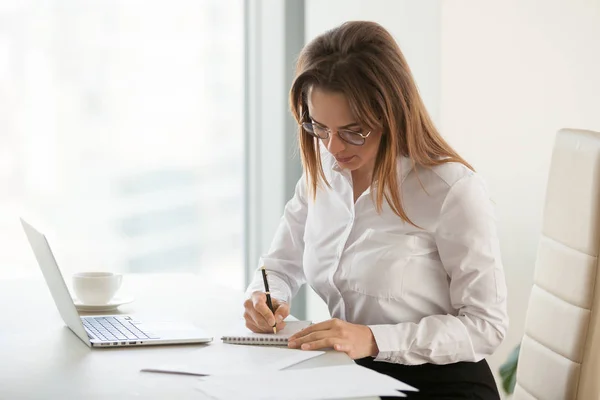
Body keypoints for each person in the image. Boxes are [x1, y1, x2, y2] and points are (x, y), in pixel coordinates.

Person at [243, 20, 508, 399]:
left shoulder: (450, 190)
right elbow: (279, 267)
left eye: (353, 130)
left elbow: (486, 326)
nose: (333, 147)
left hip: (441, 384)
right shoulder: (323, 172)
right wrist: (264, 298)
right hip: (352, 378)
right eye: (319, 127)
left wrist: (373, 339)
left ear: (391, 114)